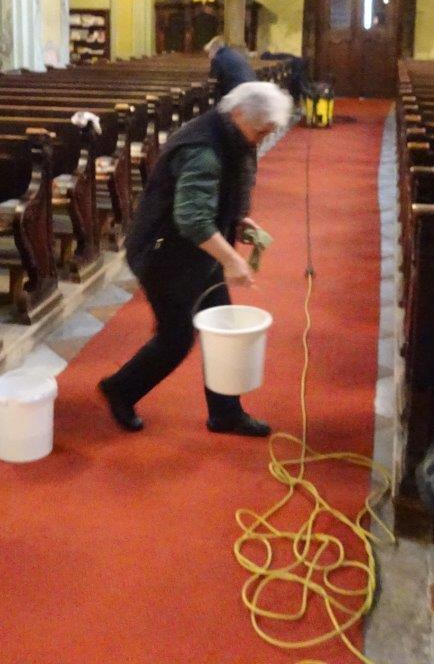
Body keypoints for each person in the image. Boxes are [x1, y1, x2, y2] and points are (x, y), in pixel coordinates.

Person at [98, 81, 293, 437]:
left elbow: (220, 193)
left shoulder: (233, 134)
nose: (263, 138)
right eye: (262, 130)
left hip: (197, 252)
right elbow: (192, 219)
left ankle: (225, 414)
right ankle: (121, 389)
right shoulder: (203, 149)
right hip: (162, 255)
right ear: (239, 114)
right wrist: (231, 259)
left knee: (224, 326)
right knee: (176, 338)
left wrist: (236, 220)